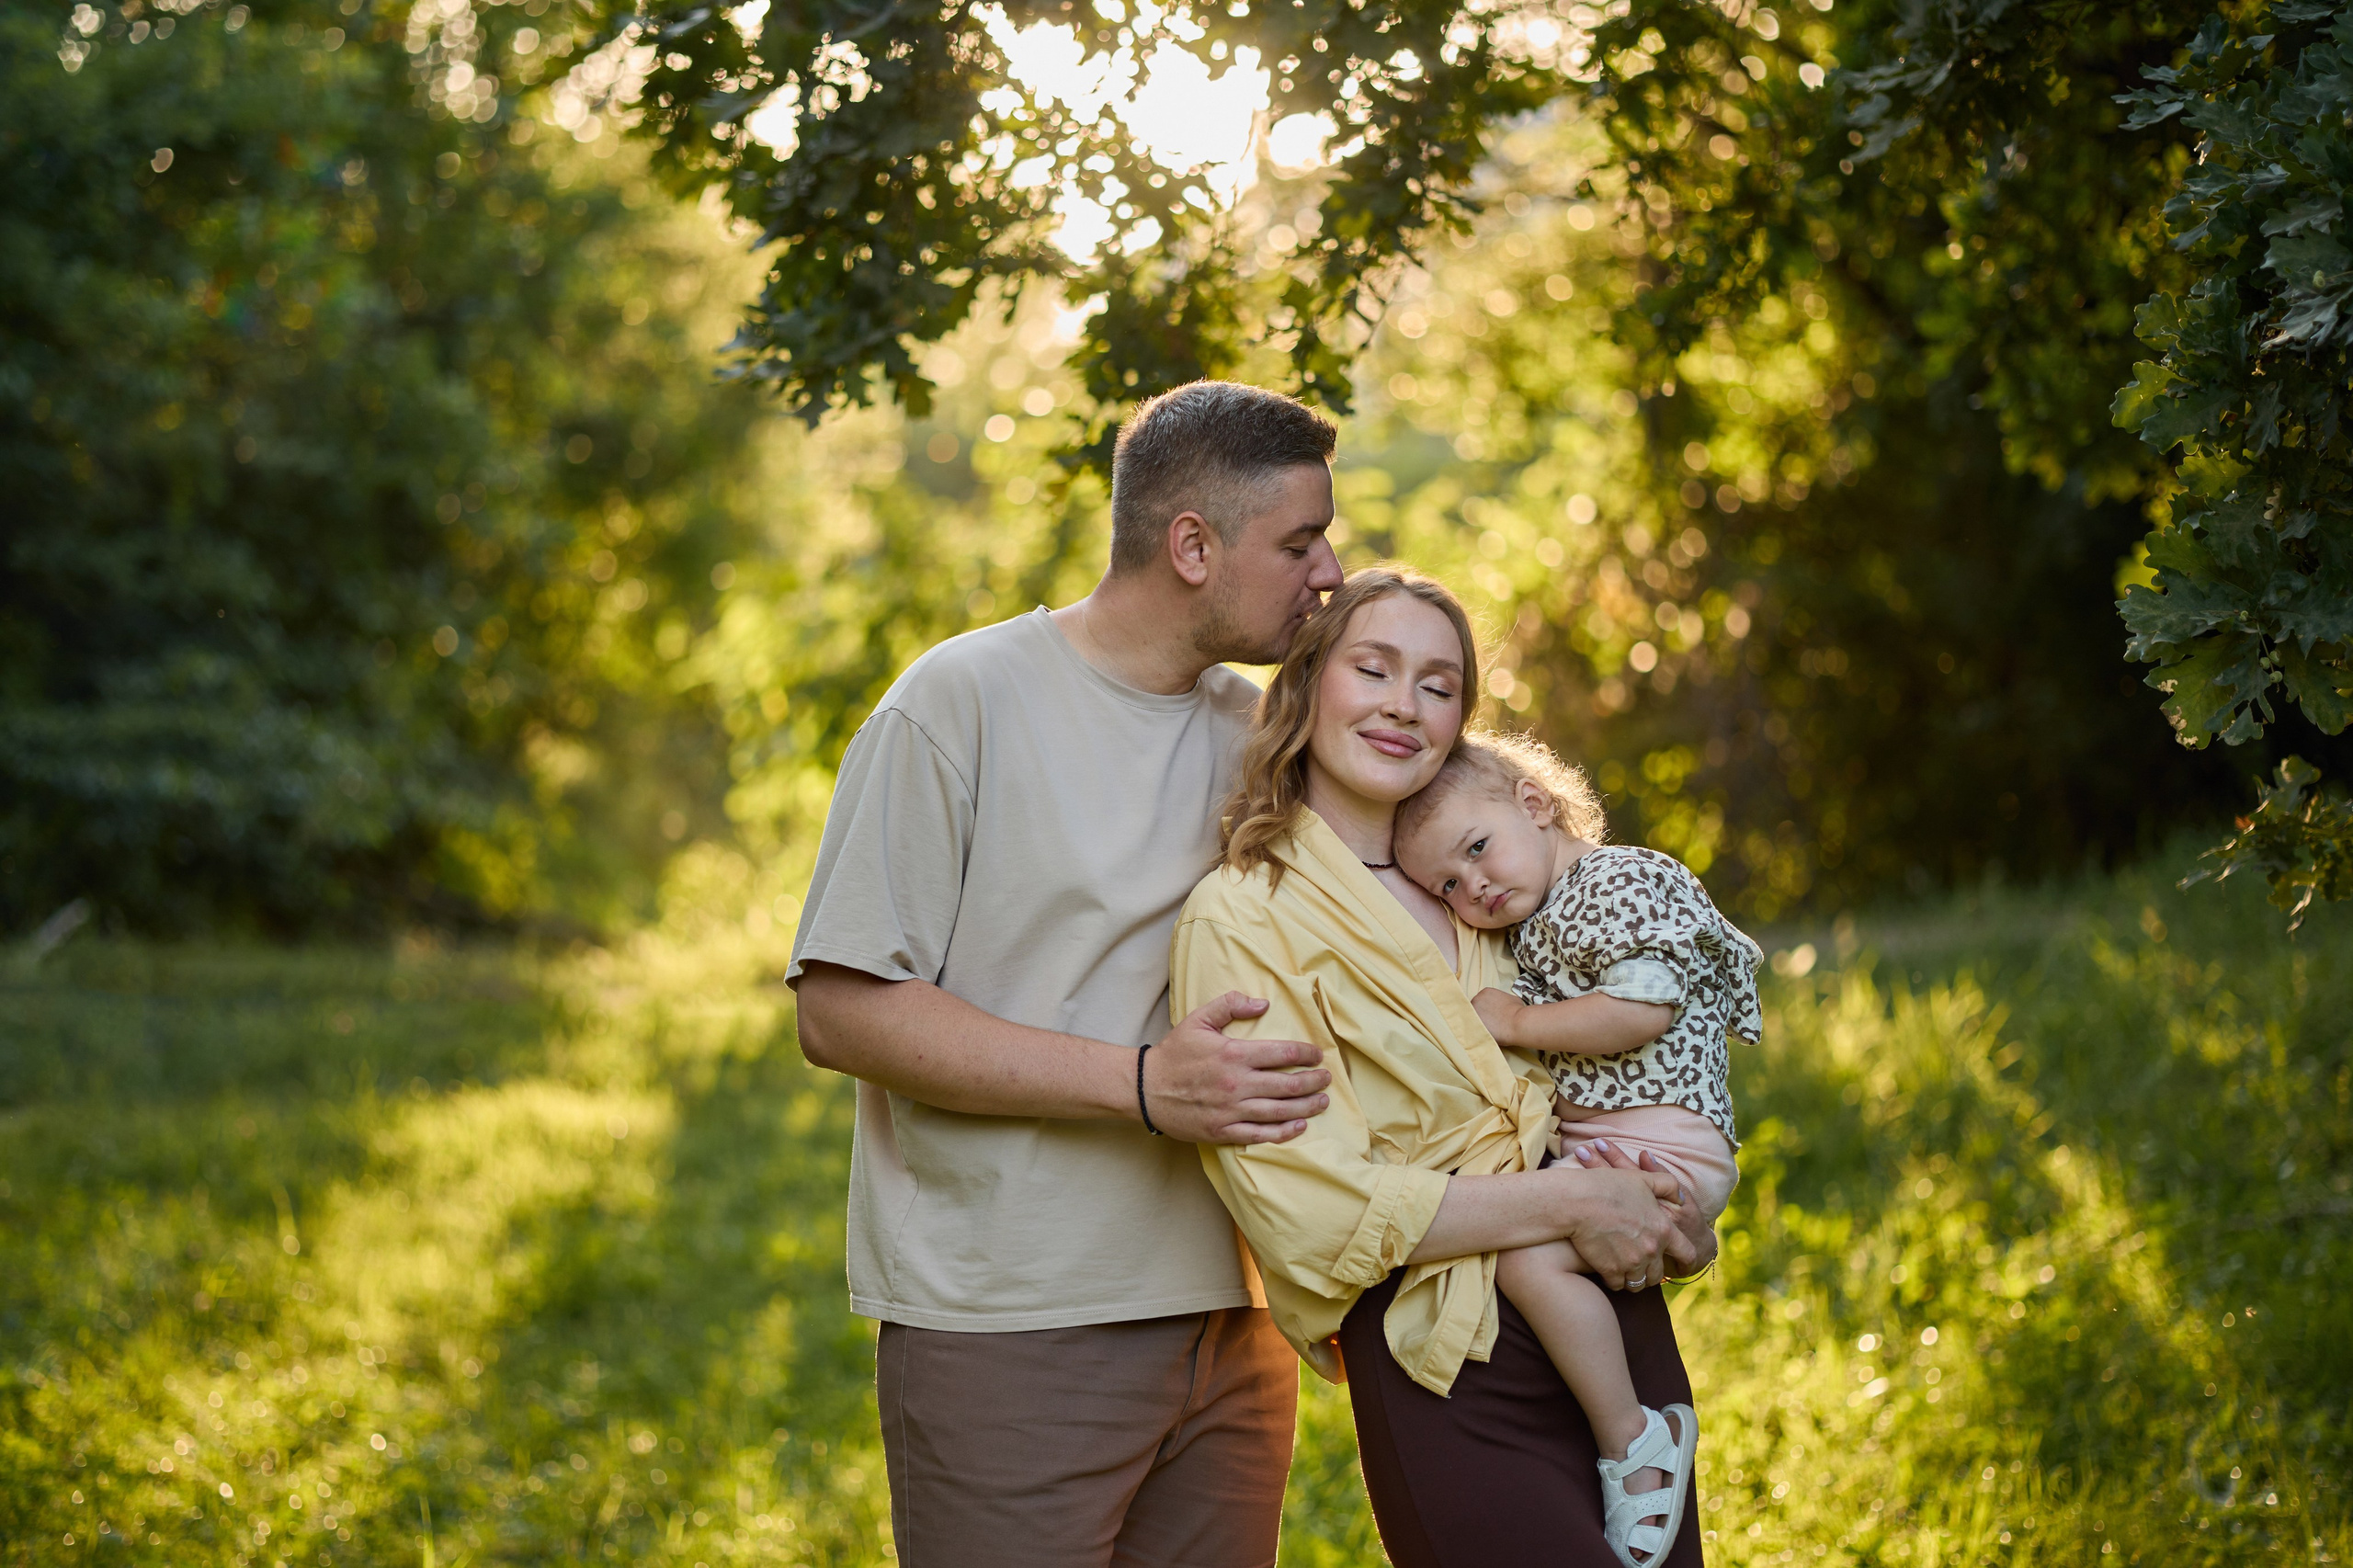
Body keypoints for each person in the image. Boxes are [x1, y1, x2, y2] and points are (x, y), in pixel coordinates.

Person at [786, 380, 1357, 1568]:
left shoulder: (1262, 736)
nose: (1330, 572)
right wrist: (1143, 1083)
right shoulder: (962, 700)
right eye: (1300, 541)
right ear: (1192, 543)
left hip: (1235, 1320)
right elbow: (841, 1008)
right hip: (1015, 1318)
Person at [1168, 566, 1718, 1568]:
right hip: (1444, 1355)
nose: (1402, 704)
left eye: (1438, 683)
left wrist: (1673, 1209)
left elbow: (1626, 1067)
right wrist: (1570, 1206)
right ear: (1305, 683)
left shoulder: (1504, 887)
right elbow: (1312, 1207)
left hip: (1611, 1324)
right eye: (1372, 667)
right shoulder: (1247, 917)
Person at [1393, 730, 1763, 1566]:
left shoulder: (1617, 878)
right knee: (1528, 1251)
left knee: (1528, 1264)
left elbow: (1643, 1006)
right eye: (1448, 884)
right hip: (1619, 1146)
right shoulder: (1543, 916)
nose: (1474, 887)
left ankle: (1633, 1441)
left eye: (1478, 851)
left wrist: (1518, 1023)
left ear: (1535, 804)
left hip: (1660, 1142)